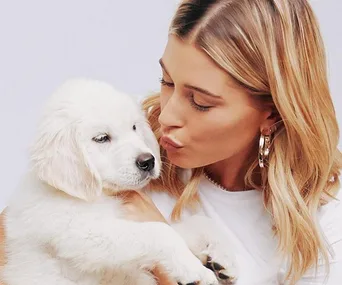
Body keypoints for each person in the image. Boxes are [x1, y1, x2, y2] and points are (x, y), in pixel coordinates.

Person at [0, 0, 341, 284]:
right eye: (166, 82)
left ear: (272, 112)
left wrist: (163, 251)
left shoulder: (326, 221)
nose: (165, 117)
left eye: (200, 102)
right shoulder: (128, 145)